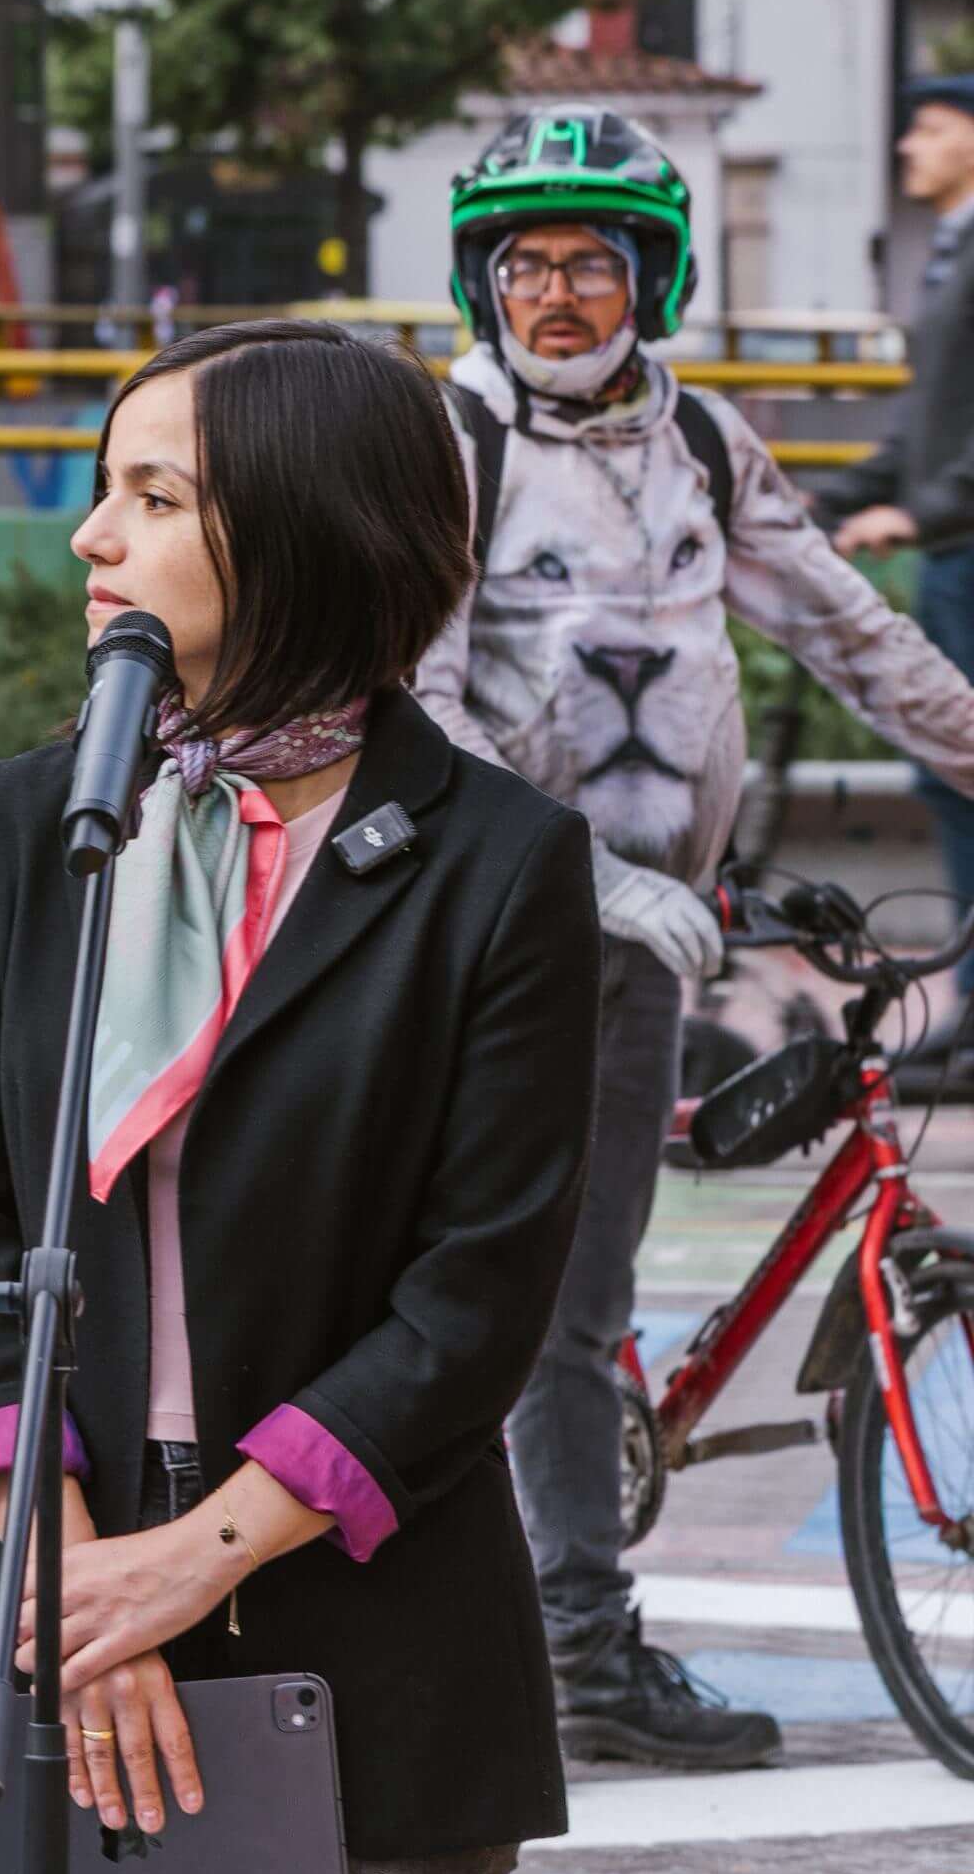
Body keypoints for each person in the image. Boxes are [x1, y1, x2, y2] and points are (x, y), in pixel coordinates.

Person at [0, 316, 600, 1874]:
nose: (91, 538)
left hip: (367, 1609)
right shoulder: (29, 824)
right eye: (101, 488)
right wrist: (76, 1583)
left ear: (298, 531)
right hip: (61, 1598)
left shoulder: (496, 859)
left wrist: (190, 1561)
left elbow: (481, 1286)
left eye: (152, 495)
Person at [414, 107, 974, 1770]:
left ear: (651, 274)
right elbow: (418, 717)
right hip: (497, 939)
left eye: (592, 260)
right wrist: (582, 877)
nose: (558, 293)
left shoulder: (707, 448)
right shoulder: (451, 444)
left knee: (581, 1294)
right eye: (526, 262)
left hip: (653, 941)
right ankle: (575, 1644)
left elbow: (855, 636)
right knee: (546, 1307)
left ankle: (561, 1589)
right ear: (484, 278)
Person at [819, 72, 974, 916]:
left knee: (960, 768)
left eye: (930, 128)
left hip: (964, 548)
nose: (908, 145)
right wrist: (820, 501)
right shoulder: (951, 254)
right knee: (952, 771)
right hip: (954, 552)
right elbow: (926, 428)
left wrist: (917, 512)